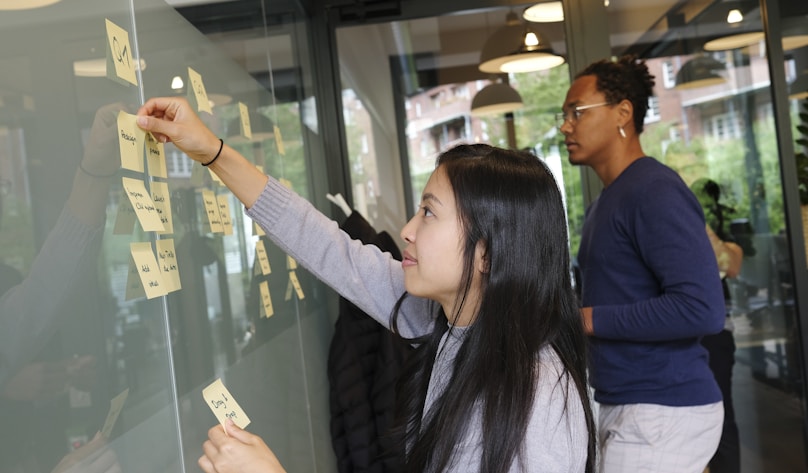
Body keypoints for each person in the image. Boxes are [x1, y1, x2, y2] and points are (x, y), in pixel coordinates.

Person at [136, 96, 597, 473]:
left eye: (430, 213)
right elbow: (326, 246)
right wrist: (212, 152)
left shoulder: (537, 398)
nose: (408, 229)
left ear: (486, 253)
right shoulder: (447, 319)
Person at [558, 55, 726, 473]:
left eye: (576, 112)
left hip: (661, 406)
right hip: (626, 402)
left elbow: (701, 308)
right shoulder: (607, 202)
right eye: (564, 115)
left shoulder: (653, 189)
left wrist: (589, 319)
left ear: (623, 113)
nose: (565, 126)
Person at [692, 178, 744, 473]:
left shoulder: (718, 237)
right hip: (688, 337)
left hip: (716, 337)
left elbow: (731, 264)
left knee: (723, 420)